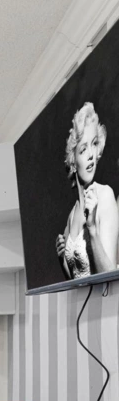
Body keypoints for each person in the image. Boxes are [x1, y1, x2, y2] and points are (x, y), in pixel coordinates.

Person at [57, 102, 119, 279]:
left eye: (94, 144)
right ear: (73, 162)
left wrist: (92, 229)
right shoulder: (72, 215)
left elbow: (110, 277)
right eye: (83, 149)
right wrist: (62, 259)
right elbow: (76, 281)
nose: (91, 154)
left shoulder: (105, 195)